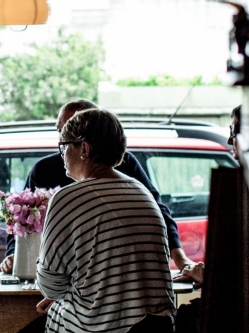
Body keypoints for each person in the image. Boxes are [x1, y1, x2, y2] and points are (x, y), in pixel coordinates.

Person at [1, 99, 194, 274]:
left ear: (87, 142)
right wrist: (14, 254)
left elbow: (159, 211)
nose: (60, 141)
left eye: (67, 133)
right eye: (59, 131)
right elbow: (22, 219)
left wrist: (181, 260)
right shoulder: (44, 170)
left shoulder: (126, 167)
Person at [36, 109, 175, 333]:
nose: (61, 154)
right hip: (155, 325)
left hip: (101, 326)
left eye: (64, 146)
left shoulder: (69, 197)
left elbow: (50, 285)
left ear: (84, 148)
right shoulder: (140, 191)